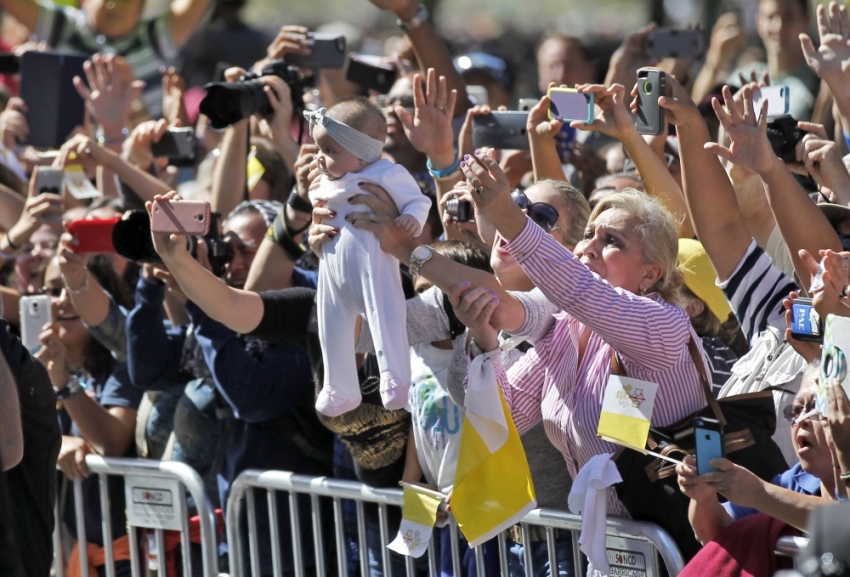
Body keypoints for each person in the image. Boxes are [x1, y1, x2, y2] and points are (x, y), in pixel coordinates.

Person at [305, 97, 431, 415]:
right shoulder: (325, 180)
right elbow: (317, 205)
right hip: (332, 269)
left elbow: (418, 201)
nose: (321, 159)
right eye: (319, 150)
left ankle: (394, 377)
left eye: (330, 151)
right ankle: (338, 385)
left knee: (385, 320)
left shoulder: (386, 174)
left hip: (371, 265)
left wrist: (411, 219)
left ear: (362, 156)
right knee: (330, 326)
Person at [39, 254, 142, 577]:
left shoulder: (125, 362)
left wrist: (66, 386)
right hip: (72, 551)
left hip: (131, 554)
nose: (62, 301)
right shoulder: (31, 365)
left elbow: (112, 441)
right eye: (53, 290)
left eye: (73, 287)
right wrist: (58, 443)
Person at [676, 365, 836, 546]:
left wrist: (759, 493)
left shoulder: (768, 492)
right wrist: (704, 497)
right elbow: (714, 532)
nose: (801, 420)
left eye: (816, 408)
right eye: (796, 410)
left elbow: (842, 522)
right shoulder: (793, 481)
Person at [0, 0, 214, 117]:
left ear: (141, 6)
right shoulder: (62, 26)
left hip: (136, 153)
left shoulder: (158, 36)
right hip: (69, 153)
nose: (115, 5)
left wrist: (131, 97)